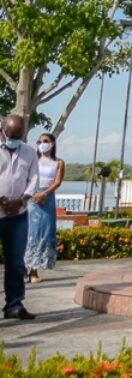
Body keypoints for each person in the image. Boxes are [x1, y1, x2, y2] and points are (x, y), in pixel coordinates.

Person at [0, 114, 37, 320]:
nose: (14, 139)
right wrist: (2, 201)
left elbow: (33, 179)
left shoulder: (30, 153)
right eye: (11, 135)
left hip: (18, 214)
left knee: (15, 262)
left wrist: (21, 200)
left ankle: (14, 305)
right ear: (3, 131)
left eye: (19, 136)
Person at [25, 131, 64, 284]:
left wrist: (44, 194)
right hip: (31, 197)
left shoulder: (59, 162)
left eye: (45, 140)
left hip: (47, 198)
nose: (42, 143)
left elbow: (57, 181)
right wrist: (33, 194)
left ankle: (34, 270)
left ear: (52, 143)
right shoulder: (33, 160)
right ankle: (23, 269)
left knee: (42, 232)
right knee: (28, 232)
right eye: (39, 141)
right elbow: (27, 177)